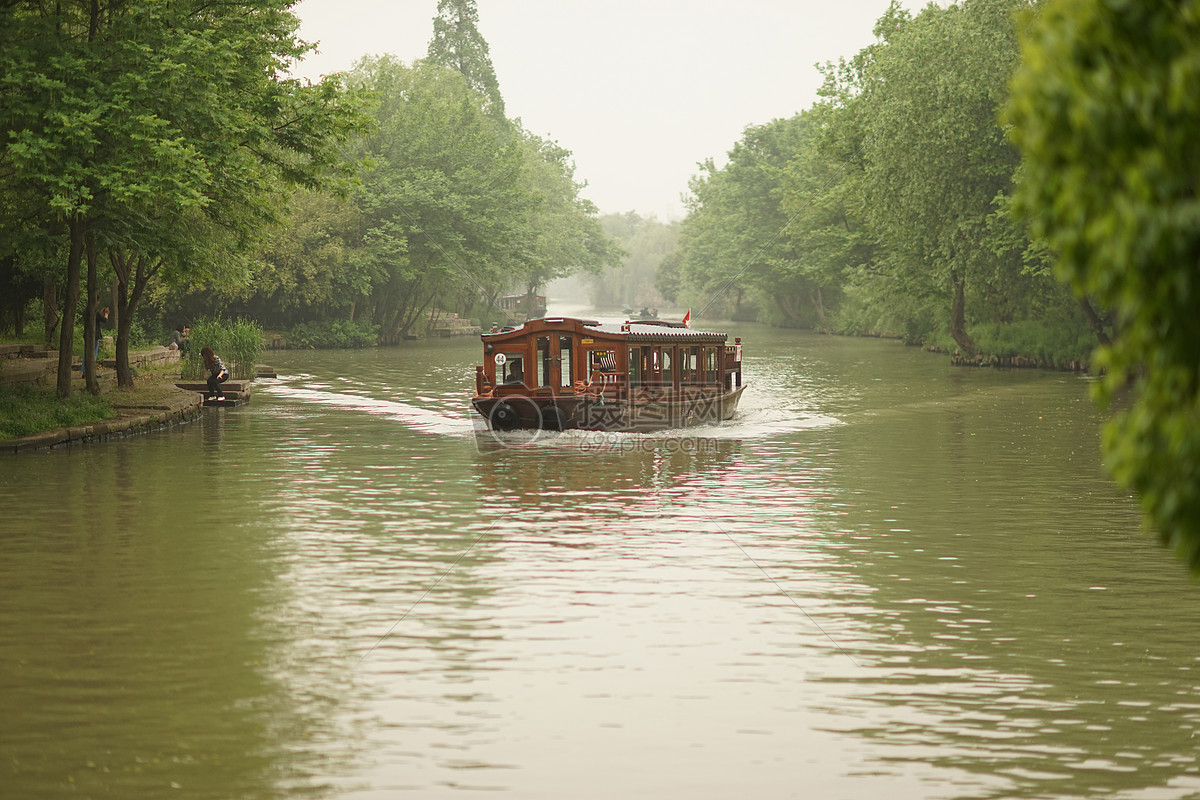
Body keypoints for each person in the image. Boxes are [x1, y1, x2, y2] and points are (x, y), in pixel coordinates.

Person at [81, 306, 110, 373]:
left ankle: (84, 371)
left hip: (86, 334)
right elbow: (104, 320)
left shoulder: (85, 310)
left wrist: (100, 313)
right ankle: (90, 371)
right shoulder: (94, 311)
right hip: (94, 335)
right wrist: (106, 313)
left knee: (86, 353)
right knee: (93, 354)